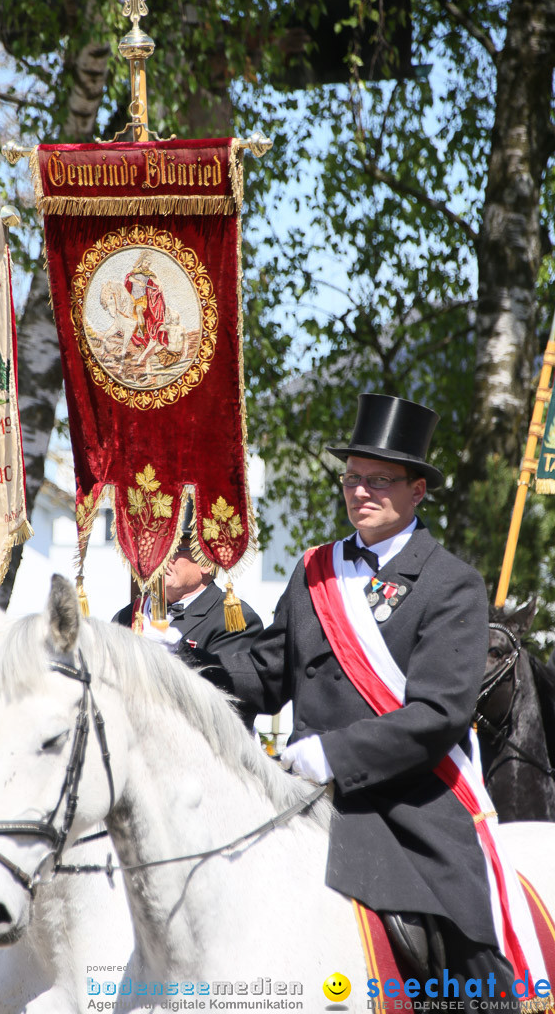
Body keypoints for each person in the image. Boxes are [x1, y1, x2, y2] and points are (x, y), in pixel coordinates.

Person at [215, 394, 531, 1008]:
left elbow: (437, 715)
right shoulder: (314, 571)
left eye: (379, 480)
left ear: (417, 491)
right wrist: (184, 669)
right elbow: (266, 670)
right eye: (352, 478)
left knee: (464, 963)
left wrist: (332, 755)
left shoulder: (451, 583)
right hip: (304, 795)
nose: (360, 491)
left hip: (409, 803)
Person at [113, 507, 263, 729]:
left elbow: (232, 703)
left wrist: (177, 654)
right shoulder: (129, 615)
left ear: (205, 561)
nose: (161, 557)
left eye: (173, 548)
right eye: (156, 546)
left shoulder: (235, 620)